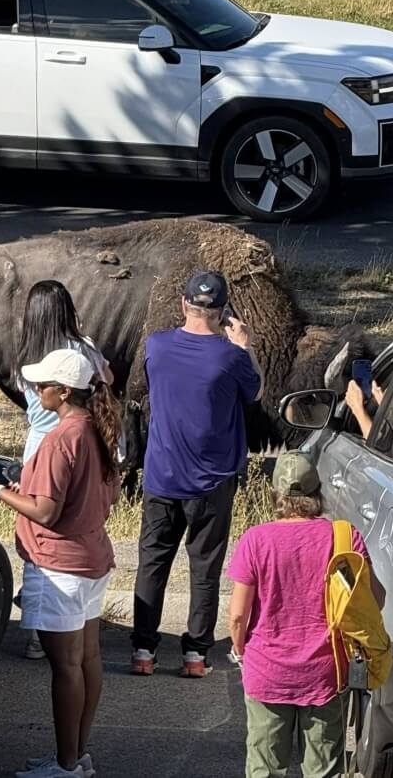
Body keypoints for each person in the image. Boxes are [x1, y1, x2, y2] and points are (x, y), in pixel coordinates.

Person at [0, 348, 123, 778]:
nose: (37, 391)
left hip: (59, 565)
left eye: (43, 385)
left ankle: (66, 764)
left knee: (65, 668)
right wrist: (28, 487)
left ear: (64, 391)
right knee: (87, 660)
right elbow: (103, 496)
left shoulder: (60, 438)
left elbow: (46, 512)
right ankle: (74, 754)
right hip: (92, 558)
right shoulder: (96, 429)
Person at [131, 271, 263, 678]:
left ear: (184, 305)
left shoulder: (157, 345)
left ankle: (143, 651)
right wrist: (244, 345)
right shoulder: (231, 357)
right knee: (205, 567)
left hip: (162, 475)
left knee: (152, 562)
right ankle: (195, 654)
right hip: (213, 480)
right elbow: (255, 392)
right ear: (224, 313)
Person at [227, 450, 385, 778]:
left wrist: (242, 650)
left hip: (267, 671)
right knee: (323, 770)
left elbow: (238, 616)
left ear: (276, 495)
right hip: (327, 673)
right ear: (318, 494)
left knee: (265, 769)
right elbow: (375, 599)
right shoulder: (344, 537)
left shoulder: (255, 540)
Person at [15, 280, 114, 659]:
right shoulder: (80, 349)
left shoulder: (28, 350)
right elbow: (107, 380)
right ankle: (57, 626)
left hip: (39, 443)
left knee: (40, 525)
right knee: (71, 517)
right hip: (75, 439)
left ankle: (43, 628)